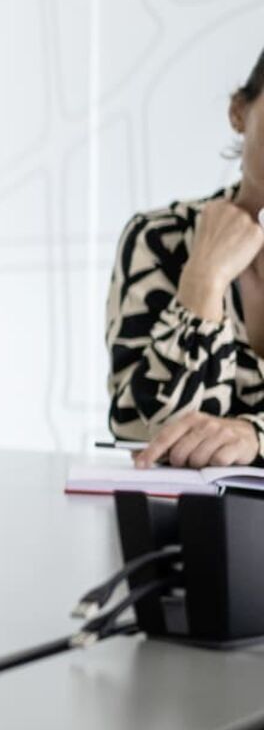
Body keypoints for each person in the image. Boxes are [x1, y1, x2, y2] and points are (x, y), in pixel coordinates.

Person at [107, 47, 264, 469]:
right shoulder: (160, 237)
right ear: (239, 112)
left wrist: (256, 434)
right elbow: (142, 431)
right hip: (200, 523)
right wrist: (205, 279)